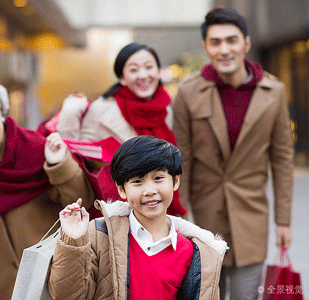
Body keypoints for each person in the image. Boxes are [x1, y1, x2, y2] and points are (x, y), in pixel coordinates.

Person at [0, 72, 96, 300]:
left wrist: (59, 163)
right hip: (3, 286)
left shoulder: (35, 148)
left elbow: (81, 200)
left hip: (52, 278)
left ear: (0, 111)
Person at [172, 7, 294, 300]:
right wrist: (180, 217)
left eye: (231, 40)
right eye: (215, 42)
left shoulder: (273, 92)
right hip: (201, 220)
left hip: (250, 218)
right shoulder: (189, 92)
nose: (224, 49)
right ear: (205, 47)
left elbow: (282, 159)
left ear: (246, 44)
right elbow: (180, 159)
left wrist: (283, 220)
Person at [48, 136, 229, 300]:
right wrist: (73, 241)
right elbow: (65, 296)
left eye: (158, 178)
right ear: (121, 189)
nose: (149, 191)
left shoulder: (194, 253)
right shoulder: (99, 235)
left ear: (175, 182)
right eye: (137, 181)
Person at [56, 42, 186, 216]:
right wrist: (70, 112)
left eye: (149, 67)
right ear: (122, 77)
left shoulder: (165, 108)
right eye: (133, 70)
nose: (143, 75)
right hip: (119, 211)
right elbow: (77, 156)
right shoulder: (101, 110)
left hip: (162, 207)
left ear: (157, 71)